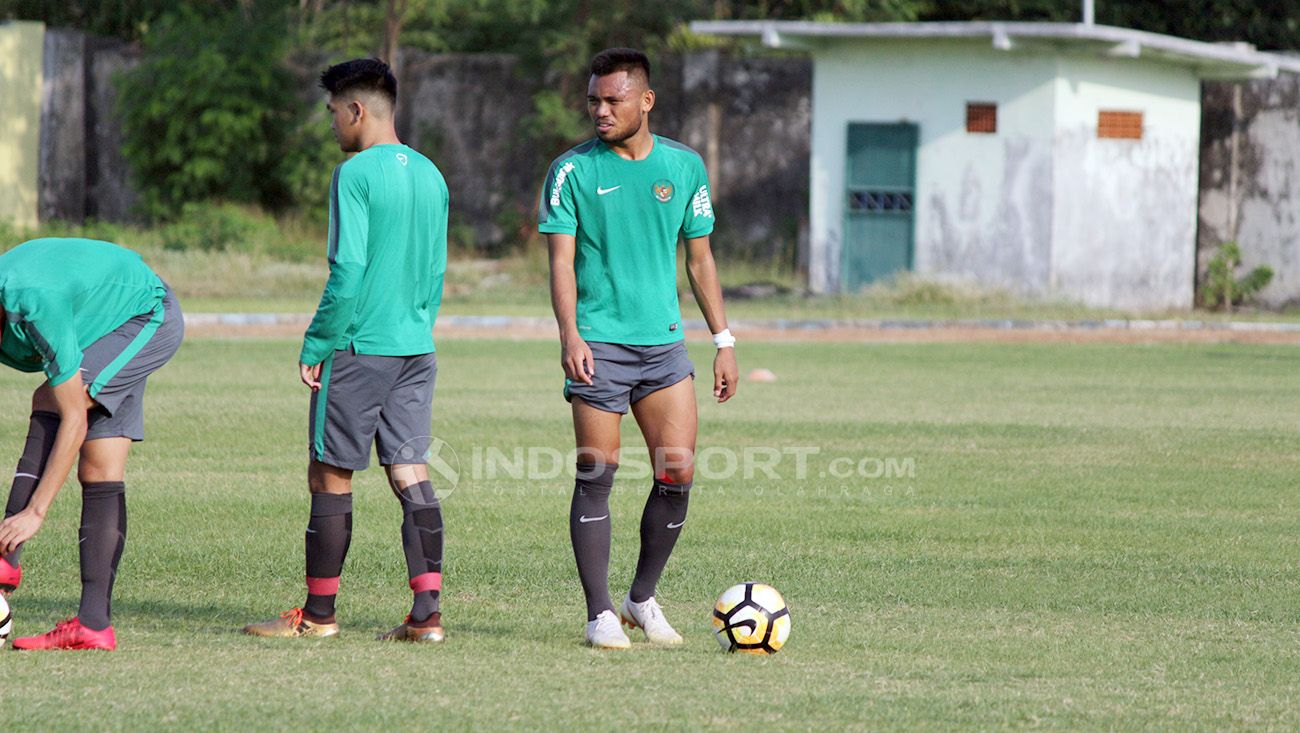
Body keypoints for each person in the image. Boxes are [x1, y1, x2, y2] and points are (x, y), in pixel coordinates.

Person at [243, 58, 450, 643]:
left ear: (357, 110)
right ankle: (427, 617)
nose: (332, 124)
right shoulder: (433, 175)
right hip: (416, 349)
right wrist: (413, 328)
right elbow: (435, 272)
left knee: (330, 475)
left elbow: (349, 268)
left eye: (334, 112)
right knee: (411, 472)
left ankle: (318, 616)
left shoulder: (355, 174)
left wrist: (317, 342)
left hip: (360, 349)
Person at [539, 48, 739, 649]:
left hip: (665, 348)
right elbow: (561, 263)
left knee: (677, 474)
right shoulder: (570, 171)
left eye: (612, 100)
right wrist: (570, 334)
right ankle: (599, 613)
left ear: (644, 101)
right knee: (597, 474)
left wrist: (723, 340)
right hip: (598, 345)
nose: (599, 110)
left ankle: (640, 600)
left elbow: (700, 257)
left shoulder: (683, 167)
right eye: (594, 100)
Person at [0, 237, 184, 651]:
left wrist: (34, 511)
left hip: (144, 314)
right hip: (102, 321)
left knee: (54, 399)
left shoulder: (31, 304)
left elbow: (73, 419)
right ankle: (92, 625)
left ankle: (5, 560)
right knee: (100, 466)